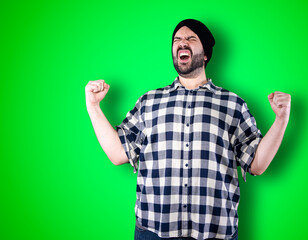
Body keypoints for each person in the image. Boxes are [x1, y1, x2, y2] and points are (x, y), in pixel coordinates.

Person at [85, 19, 291, 240]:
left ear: (205, 54)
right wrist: (93, 106)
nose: (182, 43)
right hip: (154, 231)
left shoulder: (233, 104)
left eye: (191, 39)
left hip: (215, 232)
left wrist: (281, 119)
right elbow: (118, 154)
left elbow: (257, 164)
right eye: (177, 40)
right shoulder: (149, 102)